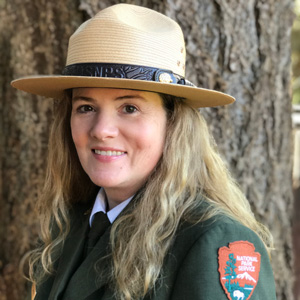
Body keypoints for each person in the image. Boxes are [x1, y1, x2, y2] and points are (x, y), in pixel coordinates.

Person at [12, 4, 276, 300]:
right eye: (86, 107)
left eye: (130, 108)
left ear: (173, 124)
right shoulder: (66, 226)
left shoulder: (211, 241)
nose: (101, 129)